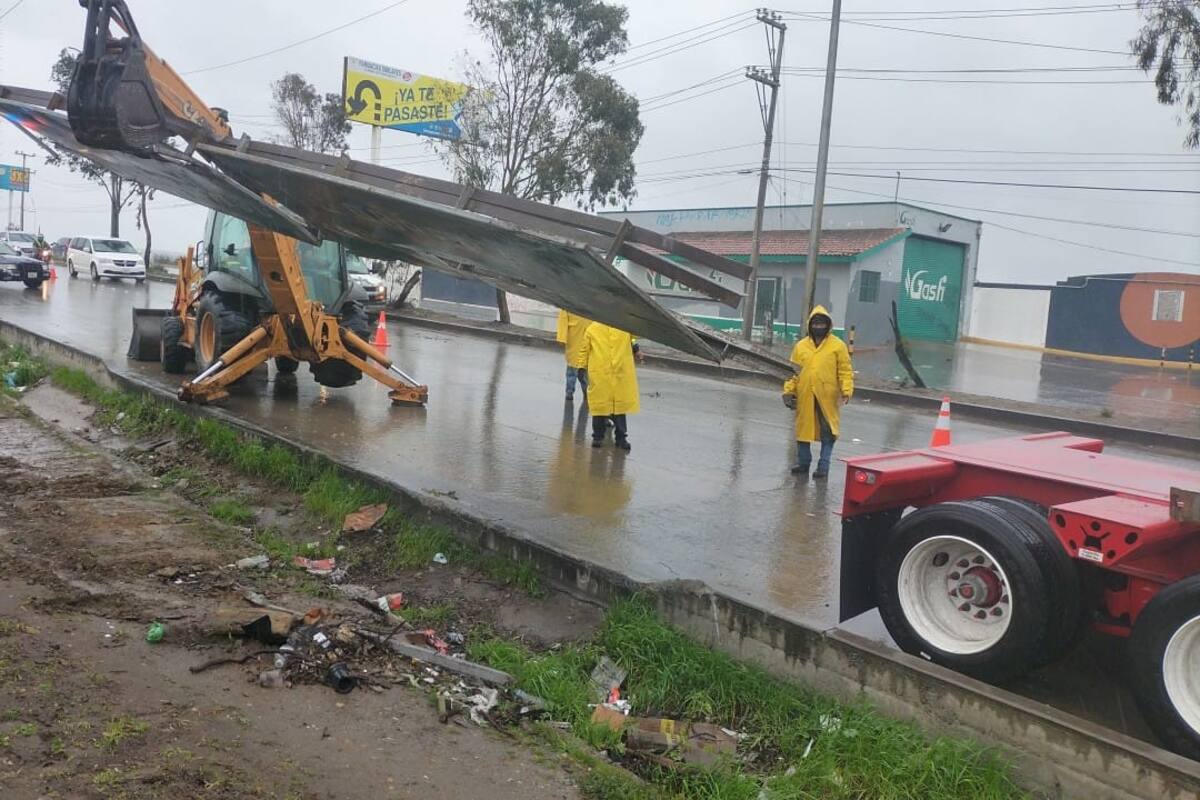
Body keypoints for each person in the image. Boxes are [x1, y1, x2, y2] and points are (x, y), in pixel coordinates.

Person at [782, 305, 853, 478]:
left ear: (828, 325)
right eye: (815, 323)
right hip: (805, 394)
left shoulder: (838, 345)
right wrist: (788, 391)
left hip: (827, 396)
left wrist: (846, 389)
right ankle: (803, 463)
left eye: (822, 324)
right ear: (810, 325)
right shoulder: (801, 346)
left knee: (828, 432)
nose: (819, 327)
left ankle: (823, 466)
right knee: (802, 430)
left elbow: (845, 370)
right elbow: (793, 372)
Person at [581, 322, 642, 451]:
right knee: (600, 408)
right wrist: (581, 367)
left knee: (619, 409)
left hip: (619, 375)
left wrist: (636, 349)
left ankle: (620, 438)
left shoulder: (624, 328)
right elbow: (584, 349)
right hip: (601, 374)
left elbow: (635, 336)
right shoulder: (592, 329)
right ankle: (598, 437)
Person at [556, 309, 593, 400]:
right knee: (573, 372)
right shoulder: (567, 307)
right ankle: (570, 392)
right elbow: (563, 322)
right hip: (574, 343)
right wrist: (562, 338)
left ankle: (585, 392)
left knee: (583, 373)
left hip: (586, 344)